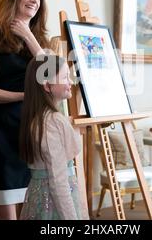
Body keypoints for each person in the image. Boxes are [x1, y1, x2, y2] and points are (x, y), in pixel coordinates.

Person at [0, 0, 49, 220]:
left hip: (35, 134)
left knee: (33, 209)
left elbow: (53, 82)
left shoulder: (41, 44)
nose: (34, 0)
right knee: (6, 210)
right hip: (2, 135)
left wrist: (29, 37)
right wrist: (26, 96)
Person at [19, 55, 88, 220]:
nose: (70, 82)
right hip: (53, 204)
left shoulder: (45, 118)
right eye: (65, 77)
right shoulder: (50, 122)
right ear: (47, 85)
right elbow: (58, 180)